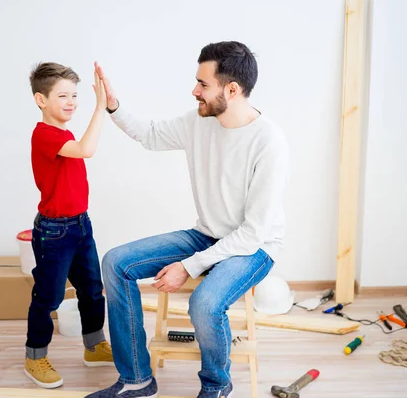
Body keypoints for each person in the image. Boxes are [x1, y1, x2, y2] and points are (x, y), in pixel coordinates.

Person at [86, 41, 289, 398]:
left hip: (254, 247)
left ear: (232, 90)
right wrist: (113, 106)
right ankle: (137, 380)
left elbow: (252, 233)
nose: (194, 91)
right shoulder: (199, 122)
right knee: (116, 262)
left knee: (205, 303)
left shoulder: (268, 141)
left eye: (202, 84)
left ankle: (215, 387)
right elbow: (149, 134)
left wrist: (189, 266)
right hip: (207, 234)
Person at [24, 62, 114, 389]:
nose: (71, 102)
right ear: (40, 100)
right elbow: (87, 150)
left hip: (80, 227)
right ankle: (34, 358)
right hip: (54, 232)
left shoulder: (64, 132)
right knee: (48, 298)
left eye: (75, 95)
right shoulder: (45, 134)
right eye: (62, 95)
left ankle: (94, 346)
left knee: (92, 290)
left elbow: (80, 149)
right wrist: (100, 107)